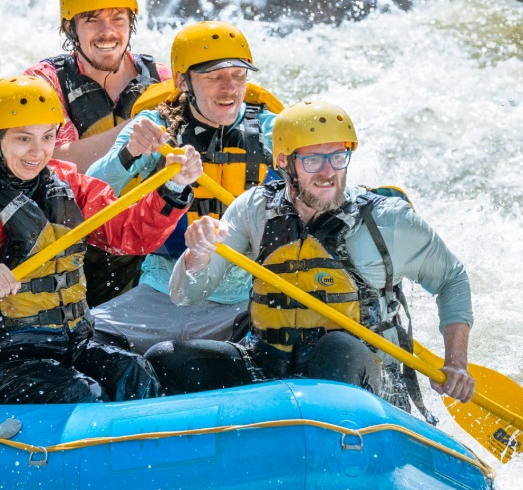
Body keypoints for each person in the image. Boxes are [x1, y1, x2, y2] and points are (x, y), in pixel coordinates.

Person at [148, 100, 477, 406]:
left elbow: (451, 278)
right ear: (283, 162)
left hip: (366, 377)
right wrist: (199, 255)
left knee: (337, 350)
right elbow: (184, 296)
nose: (328, 172)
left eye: (337, 157)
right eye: (313, 160)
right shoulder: (254, 209)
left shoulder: (388, 220)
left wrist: (456, 363)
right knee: (167, 359)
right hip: (270, 366)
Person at [0, 75, 204, 404]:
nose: (38, 152)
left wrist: (174, 187)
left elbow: (128, 234)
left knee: (133, 375)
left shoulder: (66, 182)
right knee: (79, 393)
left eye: (48, 137)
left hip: (68, 344)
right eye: (24, 139)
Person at [87, 21, 283, 354]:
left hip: (244, 300)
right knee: (81, 340)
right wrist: (129, 152)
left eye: (238, 76)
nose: (229, 89)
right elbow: (90, 192)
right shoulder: (156, 127)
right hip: (161, 293)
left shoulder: (271, 131)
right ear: (183, 81)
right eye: (214, 77)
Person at [25, 0, 170, 303]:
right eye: (91, 19)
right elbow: (46, 160)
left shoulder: (164, 79)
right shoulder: (44, 82)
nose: (108, 32)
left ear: (131, 23)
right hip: (77, 236)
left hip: (149, 237)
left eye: (118, 18)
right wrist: (133, 130)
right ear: (69, 28)